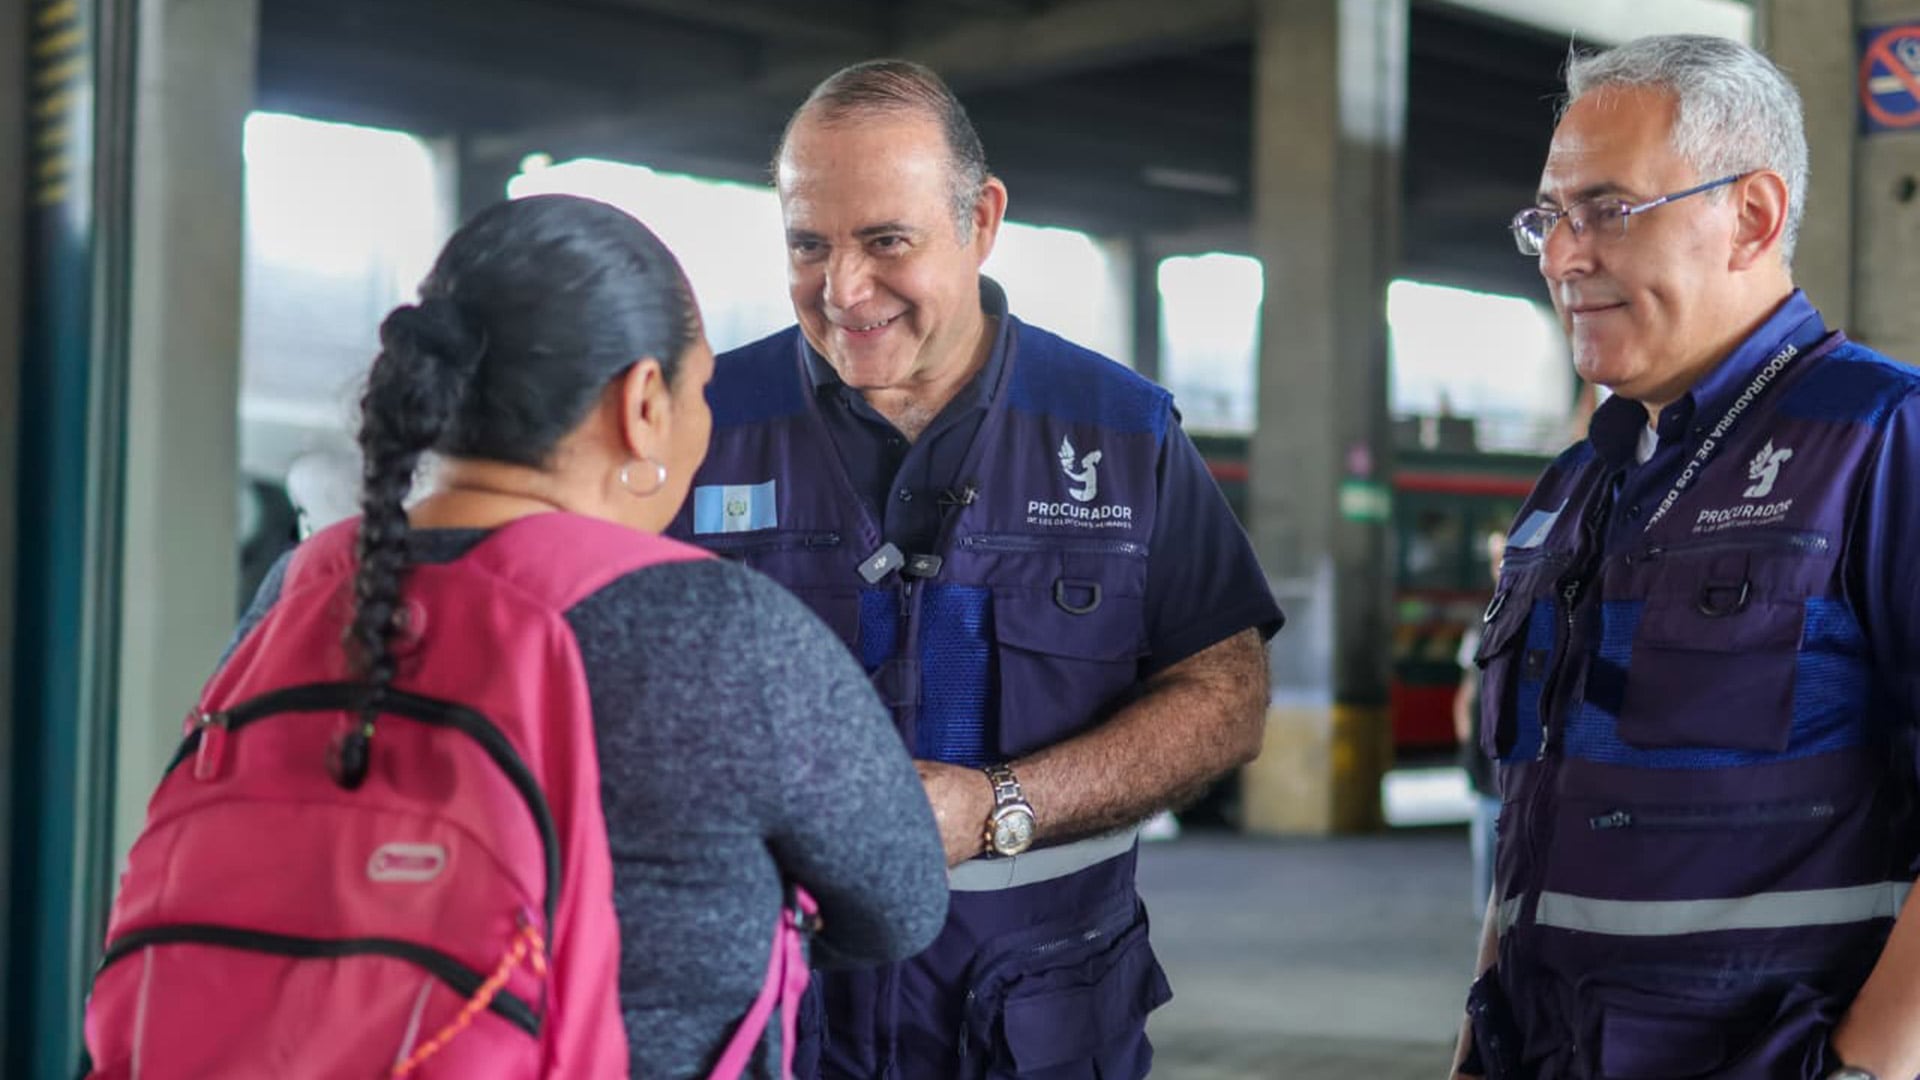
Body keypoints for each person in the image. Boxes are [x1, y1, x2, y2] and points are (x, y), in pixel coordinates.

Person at [220, 195, 950, 1077]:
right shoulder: (719, 628)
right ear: (644, 403)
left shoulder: (305, 585)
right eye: (701, 389)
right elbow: (901, 903)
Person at [667, 61, 1283, 1078]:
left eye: (886, 242)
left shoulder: (1121, 433)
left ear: (982, 220)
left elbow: (1225, 698)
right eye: (808, 246)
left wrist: (1005, 804)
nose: (843, 289)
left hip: (1039, 1020)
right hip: (769, 1024)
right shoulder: (698, 427)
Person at [1452, 34, 1920, 1080]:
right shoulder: (1576, 487)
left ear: (1750, 216)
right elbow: (1541, 810)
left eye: (1608, 210)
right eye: (1551, 218)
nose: (1563, 257)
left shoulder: (1885, 441)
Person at [1452, 529, 1504, 915]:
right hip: (1485, 762)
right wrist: (1466, 737)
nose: (1500, 566)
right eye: (1495, 559)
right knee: (1486, 852)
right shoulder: (1482, 619)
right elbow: (1468, 687)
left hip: (1519, 760)